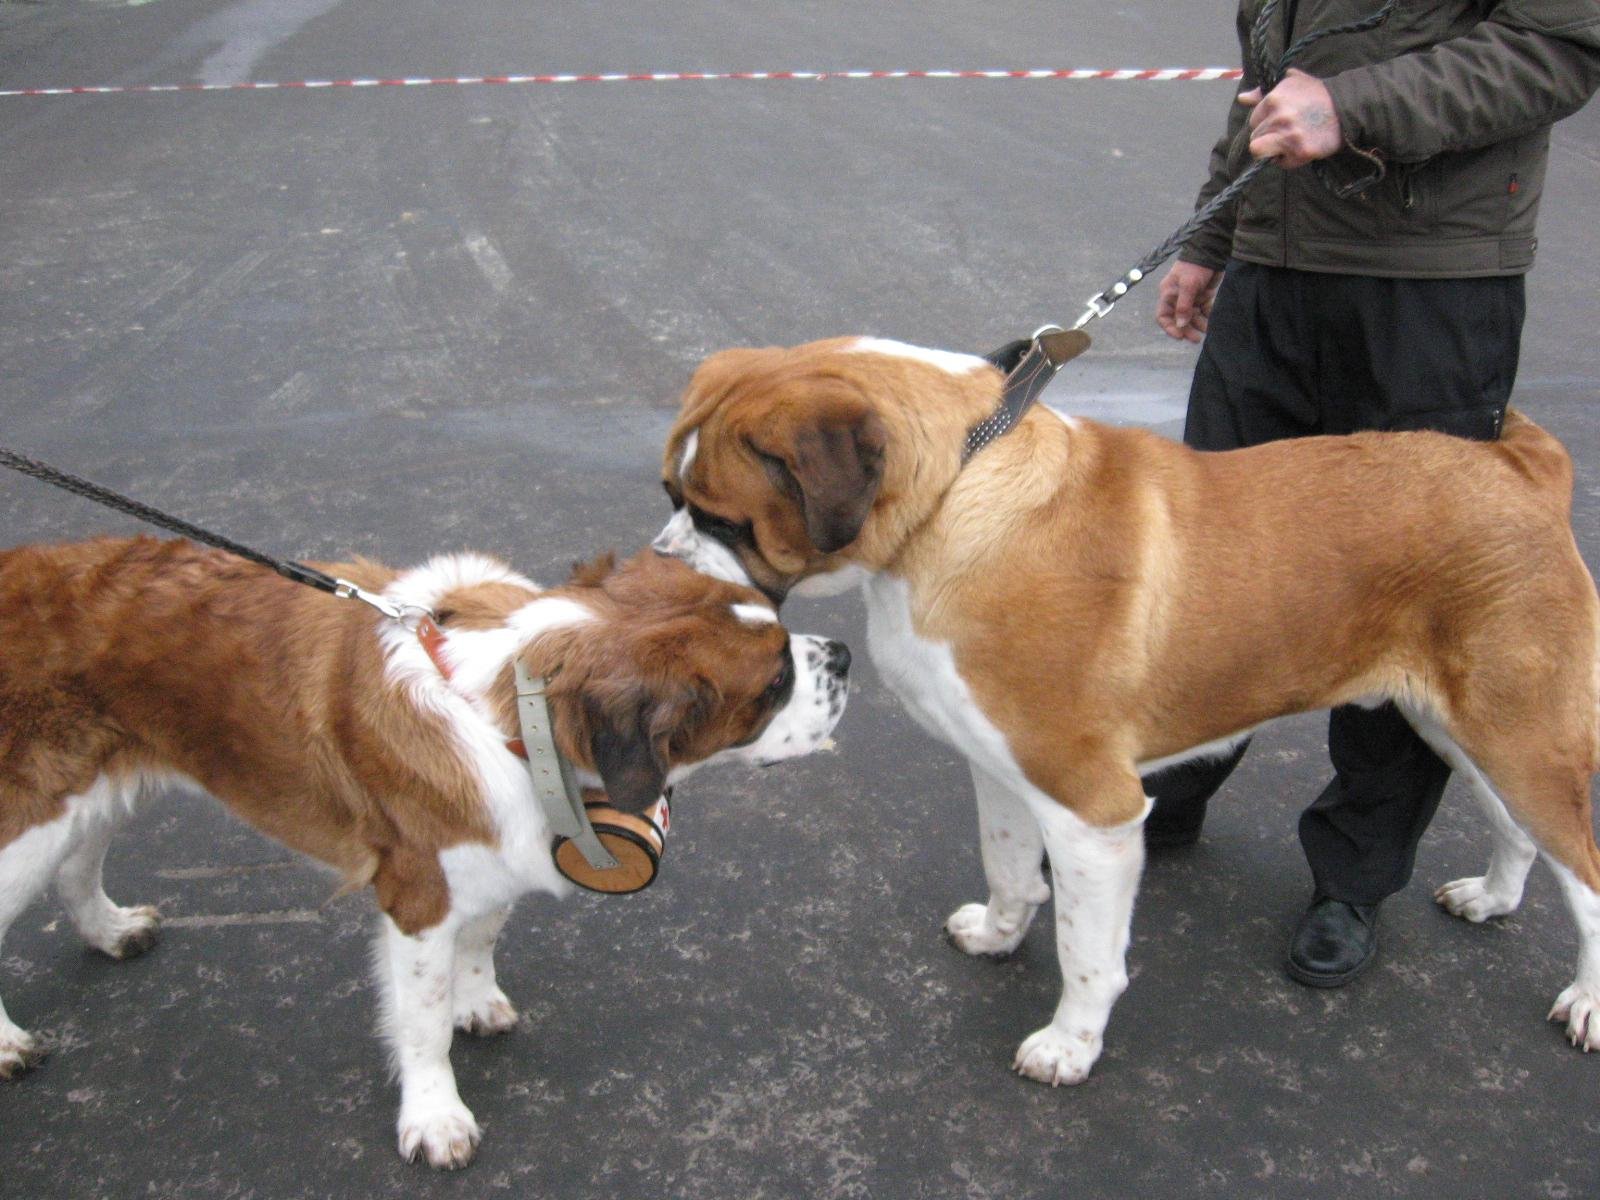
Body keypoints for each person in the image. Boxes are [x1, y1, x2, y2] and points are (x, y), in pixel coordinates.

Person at [1147, 0, 1600, 987]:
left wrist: (1353, 107)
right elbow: (1266, 82)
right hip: (1274, 271)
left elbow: (1558, 45)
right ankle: (1161, 795)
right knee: (1207, 566)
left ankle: (1352, 876)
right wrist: (1212, 236)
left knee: (1413, 603)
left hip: (1428, 281)